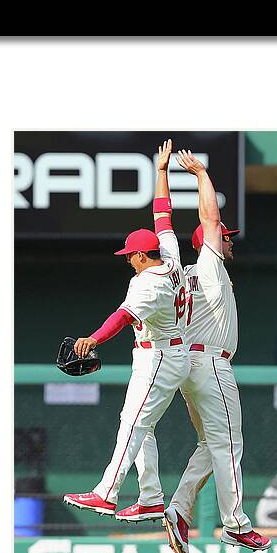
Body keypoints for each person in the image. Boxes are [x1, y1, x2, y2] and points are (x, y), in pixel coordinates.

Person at [115, 146, 271, 553]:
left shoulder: (176, 271)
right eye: (225, 239)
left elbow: (161, 218)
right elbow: (209, 219)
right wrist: (201, 174)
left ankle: (178, 509)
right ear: (212, 245)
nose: (228, 241)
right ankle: (237, 524)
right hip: (211, 364)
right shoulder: (210, 266)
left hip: (184, 363)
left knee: (208, 443)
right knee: (230, 443)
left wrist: (161, 172)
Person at [62, 168, 191, 516]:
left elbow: (122, 318)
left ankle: (107, 492)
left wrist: (93, 338)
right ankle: (151, 498)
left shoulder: (147, 283)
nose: (128, 261)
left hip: (160, 356)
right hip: (165, 351)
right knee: (138, 423)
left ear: (140, 256)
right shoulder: (171, 256)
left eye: (129, 256)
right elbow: (163, 215)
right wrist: (162, 172)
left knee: (134, 424)